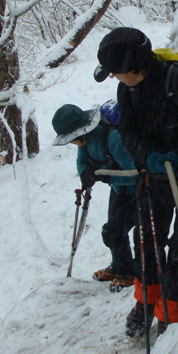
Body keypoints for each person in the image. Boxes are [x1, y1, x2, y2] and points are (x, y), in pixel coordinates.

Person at [94, 27, 178, 337]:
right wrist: (146, 156)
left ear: (134, 67)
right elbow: (128, 133)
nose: (115, 78)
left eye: (116, 72)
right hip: (155, 176)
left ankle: (170, 315)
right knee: (147, 239)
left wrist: (177, 156)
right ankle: (146, 302)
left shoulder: (177, 81)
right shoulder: (127, 90)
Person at [51, 102, 137, 292]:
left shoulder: (112, 137)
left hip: (136, 193)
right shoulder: (86, 141)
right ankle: (119, 267)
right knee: (112, 232)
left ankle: (128, 273)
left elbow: (135, 174)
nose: (72, 143)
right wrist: (86, 174)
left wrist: (105, 175)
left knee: (115, 231)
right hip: (118, 190)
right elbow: (82, 162)